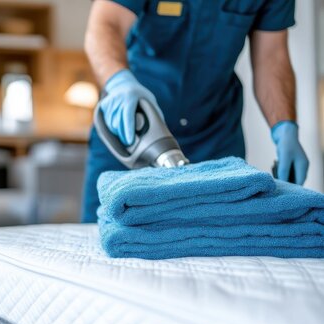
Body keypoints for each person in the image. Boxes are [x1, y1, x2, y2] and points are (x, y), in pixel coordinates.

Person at [81, 0, 310, 223]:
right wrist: (119, 82)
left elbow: (272, 56)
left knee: (222, 236)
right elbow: (106, 23)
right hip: (134, 128)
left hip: (215, 136)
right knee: (107, 233)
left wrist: (285, 128)